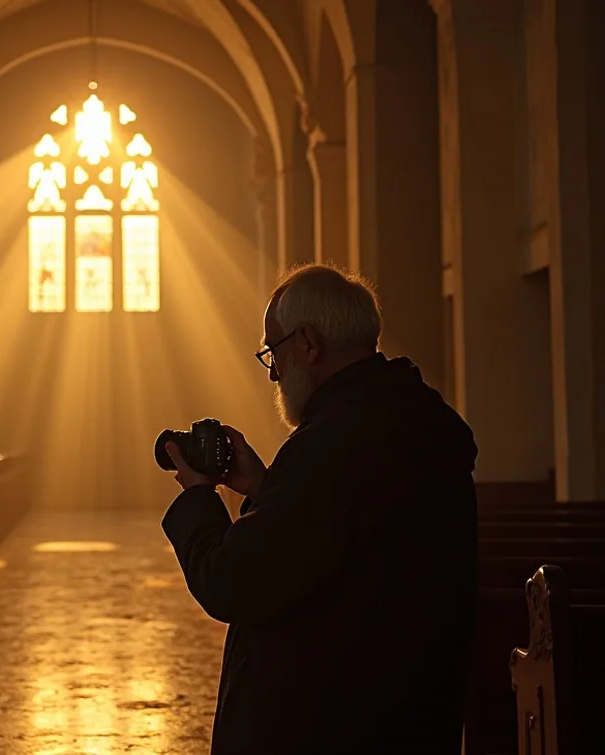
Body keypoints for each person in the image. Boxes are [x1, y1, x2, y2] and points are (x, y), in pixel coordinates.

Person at [161, 264, 478, 754]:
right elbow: (352, 548)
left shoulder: (333, 442)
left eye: (274, 352)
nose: (275, 371)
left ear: (308, 343)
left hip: (333, 724)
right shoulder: (414, 422)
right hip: (407, 712)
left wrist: (198, 498)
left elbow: (234, 583)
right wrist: (267, 490)